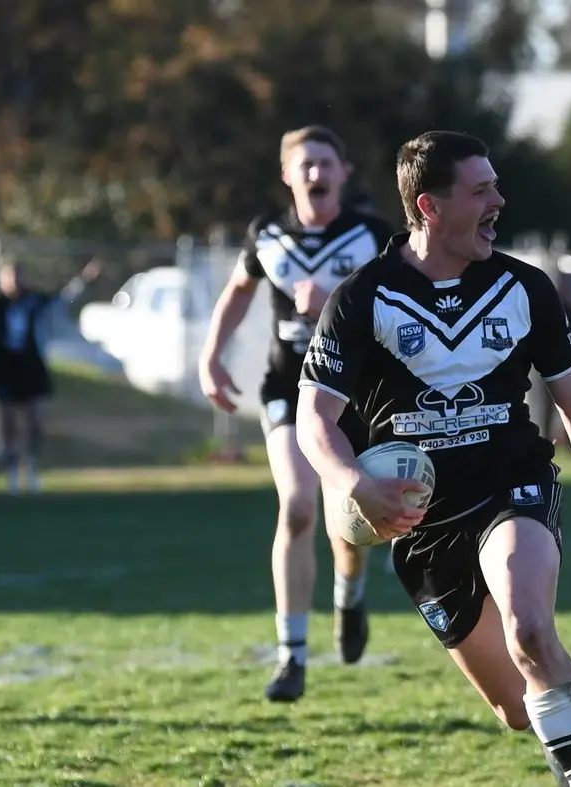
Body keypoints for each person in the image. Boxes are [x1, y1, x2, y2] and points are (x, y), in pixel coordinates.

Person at [296, 130, 571, 787]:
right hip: (422, 525)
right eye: (482, 189)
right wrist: (352, 481)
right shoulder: (362, 297)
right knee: (518, 709)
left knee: (529, 632)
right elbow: (313, 420)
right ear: (431, 207)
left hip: (510, 485)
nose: (501, 199)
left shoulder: (525, 288)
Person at [198, 125, 394, 703]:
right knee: (300, 505)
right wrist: (211, 356)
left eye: (325, 163)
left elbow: (403, 301)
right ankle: (292, 656)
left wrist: (332, 299)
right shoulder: (268, 236)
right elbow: (238, 291)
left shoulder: (373, 236)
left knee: (351, 524)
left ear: (344, 173)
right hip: (289, 386)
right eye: (304, 164)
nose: (315, 173)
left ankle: (349, 594)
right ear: (287, 174)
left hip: (356, 394)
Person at [0, 257, 101, 493]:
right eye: (10, 276)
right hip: (2, 366)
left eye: (18, 276)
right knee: (8, 419)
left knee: (36, 419)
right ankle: (11, 470)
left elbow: (65, 298)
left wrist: (84, 279)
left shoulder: (35, 302)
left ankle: (30, 465)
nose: (15, 281)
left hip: (30, 366)